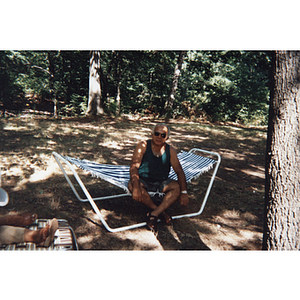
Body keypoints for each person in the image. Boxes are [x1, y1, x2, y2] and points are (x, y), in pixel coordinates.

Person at [128, 123, 189, 233]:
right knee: (132, 186)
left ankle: (154, 213)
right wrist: (136, 187)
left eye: (163, 135)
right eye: (157, 133)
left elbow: (179, 171)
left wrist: (184, 192)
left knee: (176, 187)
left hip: (161, 182)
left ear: (167, 137)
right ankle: (160, 211)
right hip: (144, 179)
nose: (159, 137)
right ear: (152, 134)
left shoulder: (170, 151)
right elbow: (134, 167)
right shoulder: (143, 146)